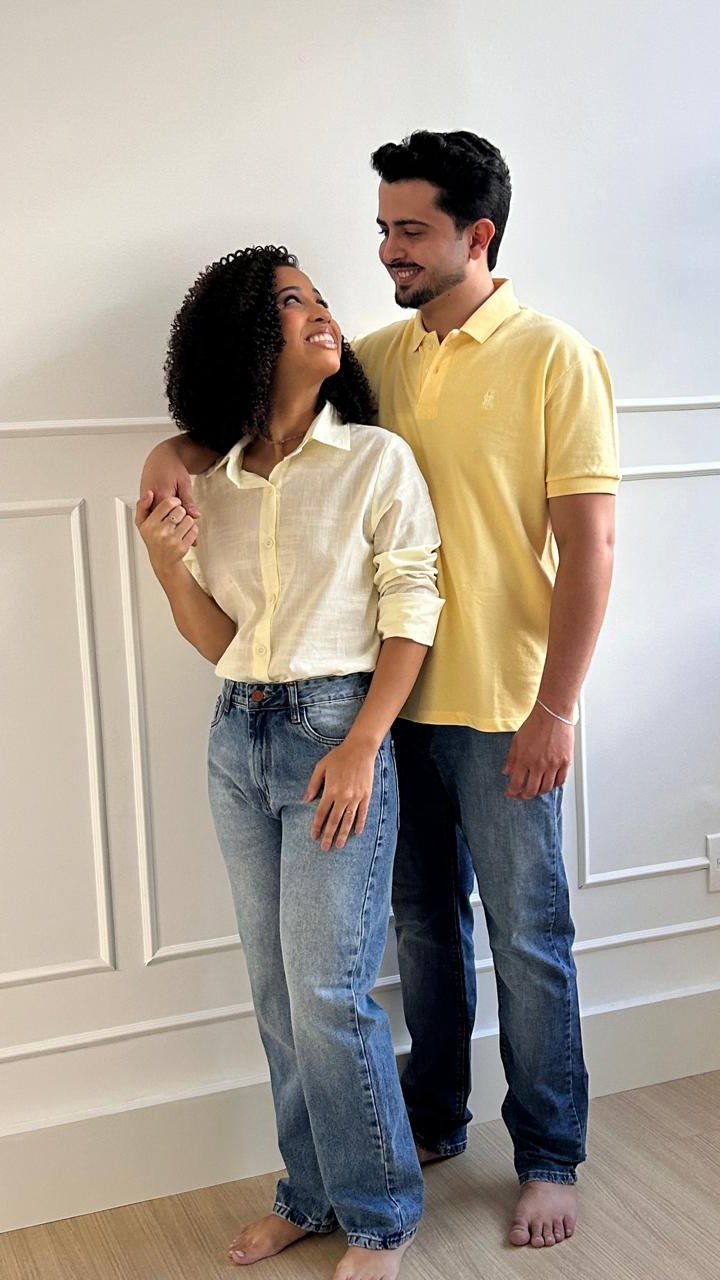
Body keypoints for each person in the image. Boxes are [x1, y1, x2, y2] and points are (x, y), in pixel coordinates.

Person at [140, 130, 620, 1252]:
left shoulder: (554, 356)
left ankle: (549, 1155)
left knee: (528, 934)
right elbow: (253, 422)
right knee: (421, 929)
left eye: (411, 230)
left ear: (476, 234)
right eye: (383, 228)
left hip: (500, 702)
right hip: (381, 710)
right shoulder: (381, 356)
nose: (387, 250)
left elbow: (591, 549)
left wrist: (555, 708)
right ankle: (434, 1121)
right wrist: (167, 458)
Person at [135, 244, 444, 1280]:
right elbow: (219, 639)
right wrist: (167, 567)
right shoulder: (213, 480)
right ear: (243, 339)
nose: (319, 311)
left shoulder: (374, 458)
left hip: (335, 730)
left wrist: (364, 743)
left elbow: (413, 608)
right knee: (276, 993)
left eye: (317, 296)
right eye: (288, 301)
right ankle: (308, 1193)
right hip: (238, 734)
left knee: (328, 991)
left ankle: (381, 1215)